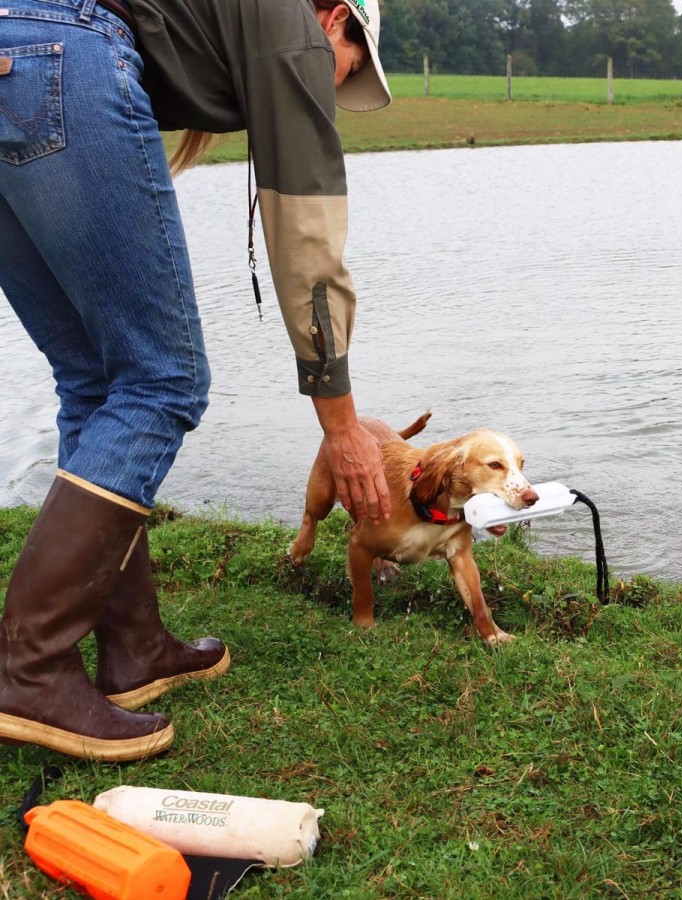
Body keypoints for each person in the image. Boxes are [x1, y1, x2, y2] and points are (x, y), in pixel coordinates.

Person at [0, 0, 392, 761]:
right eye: (349, 64)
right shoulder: (292, 30)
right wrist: (341, 423)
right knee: (164, 380)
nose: (334, 88)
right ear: (335, 18)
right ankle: (29, 666)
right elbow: (306, 233)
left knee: (94, 378)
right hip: (66, 57)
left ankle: (134, 648)